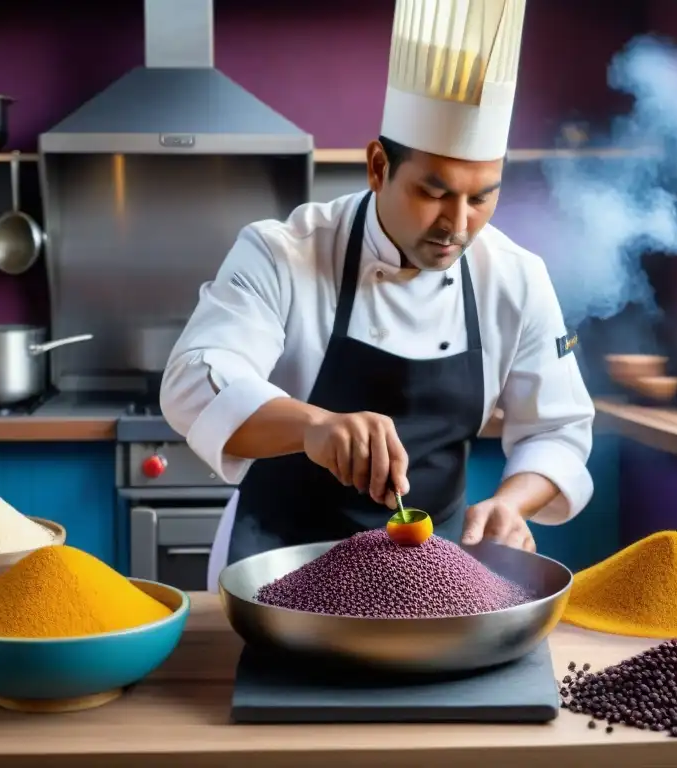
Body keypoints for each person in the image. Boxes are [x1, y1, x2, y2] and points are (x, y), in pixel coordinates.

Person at [159, 0, 596, 592]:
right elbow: (192, 380)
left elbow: (559, 430)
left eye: (481, 198)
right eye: (433, 192)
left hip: (430, 577)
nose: (458, 225)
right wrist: (313, 426)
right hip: (276, 564)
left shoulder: (515, 277)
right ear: (377, 165)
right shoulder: (283, 251)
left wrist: (513, 506)